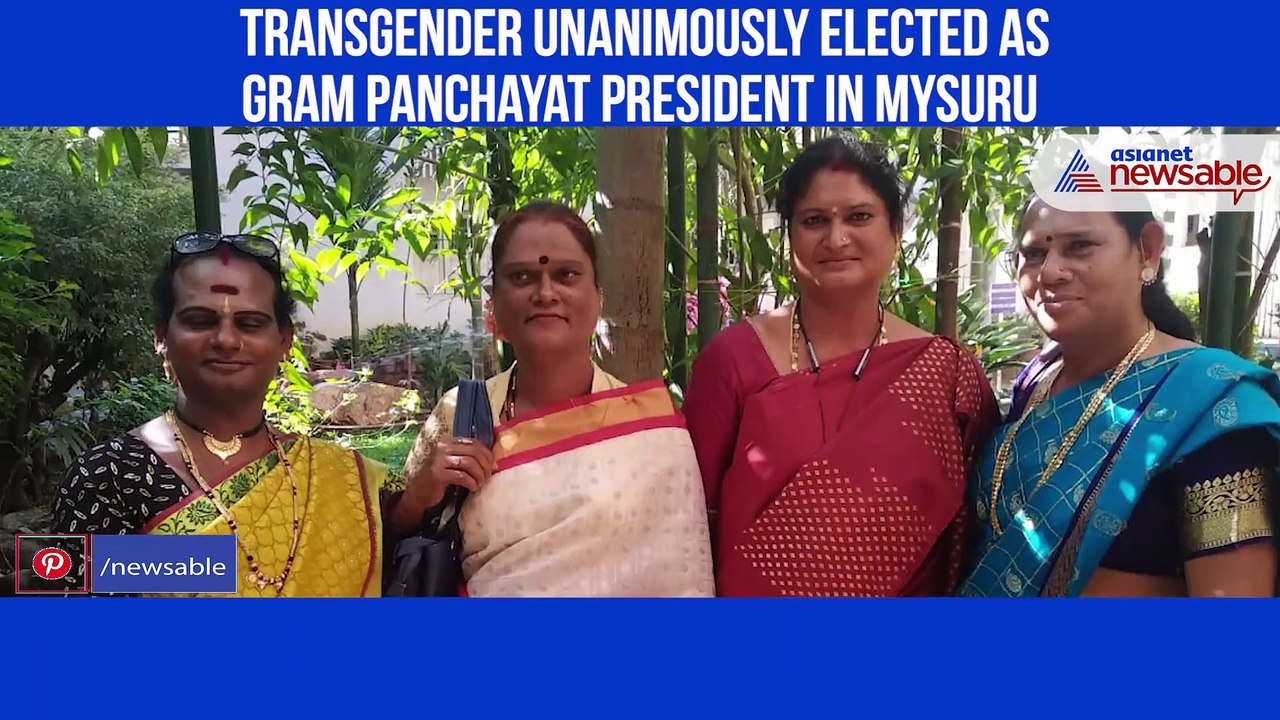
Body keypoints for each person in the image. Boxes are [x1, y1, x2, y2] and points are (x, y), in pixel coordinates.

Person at [682, 136, 1001, 597]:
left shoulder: (945, 375)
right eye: (814, 220)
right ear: (789, 237)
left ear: (895, 231)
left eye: (859, 216)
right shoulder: (734, 360)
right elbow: (692, 530)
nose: (836, 239)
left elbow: (973, 534)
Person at [47, 232, 418, 597]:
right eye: (199, 320)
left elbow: (393, 546)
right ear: (161, 336)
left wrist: (422, 495)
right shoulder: (109, 478)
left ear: (284, 341)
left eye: (250, 323)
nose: (226, 339)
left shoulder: (338, 477)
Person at [959, 198, 1280, 597]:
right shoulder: (1036, 382)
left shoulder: (1215, 411)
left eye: (1080, 247)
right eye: (1035, 253)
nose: (1050, 272)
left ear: (1148, 249)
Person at [396, 200, 715, 597]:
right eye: (522, 277)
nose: (546, 293)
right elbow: (396, 538)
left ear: (598, 298)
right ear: (494, 305)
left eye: (566, 275)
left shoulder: (646, 427)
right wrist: (423, 492)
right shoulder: (460, 412)